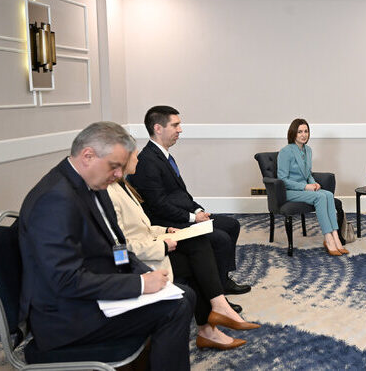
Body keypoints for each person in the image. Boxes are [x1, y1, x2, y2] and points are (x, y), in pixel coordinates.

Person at [18, 122, 193, 370]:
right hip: (66, 316)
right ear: (88, 156)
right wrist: (140, 284)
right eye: (114, 166)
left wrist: (141, 272)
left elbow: (115, 245)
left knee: (183, 295)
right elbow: (65, 280)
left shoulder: (94, 185)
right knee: (175, 307)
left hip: (93, 290)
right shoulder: (55, 200)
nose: (119, 175)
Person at [109, 148, 260, 351]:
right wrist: (162, 245)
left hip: (153, 241)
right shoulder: (110, 193)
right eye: (134, 154)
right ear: (122, 158)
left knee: (198, 242)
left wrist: (165, 230)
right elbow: (119, 246)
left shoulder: (123, 186)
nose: (138, 158)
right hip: (142, 259)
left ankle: (215, 314)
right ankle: (212, 321)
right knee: (198, 259)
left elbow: (142, 227)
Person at [129, 105, 250, 308]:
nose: (180, 130)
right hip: (167, 223)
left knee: (231, 225)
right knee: (219, 238)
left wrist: (198, 210)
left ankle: (223, 279)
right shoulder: (147, 161)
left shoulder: (165, 156)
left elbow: (181, 194)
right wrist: (193, 218)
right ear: (158, 128)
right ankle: (216, 293)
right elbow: (158, 205)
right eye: (175, 125)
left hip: (183, 215)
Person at [277, 118, 348, 256]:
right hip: (290, 191)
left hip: (306, 188)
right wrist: (305, 186)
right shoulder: (285, 152)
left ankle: (335, 235)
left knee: (328, 194)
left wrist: (314, 183)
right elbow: (283, 180)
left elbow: (308, 173)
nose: (304, 135)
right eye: (300, 132)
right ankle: (328, 238)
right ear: (293, 133)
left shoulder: (308, 150)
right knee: (320, 197)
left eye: (306, 131)